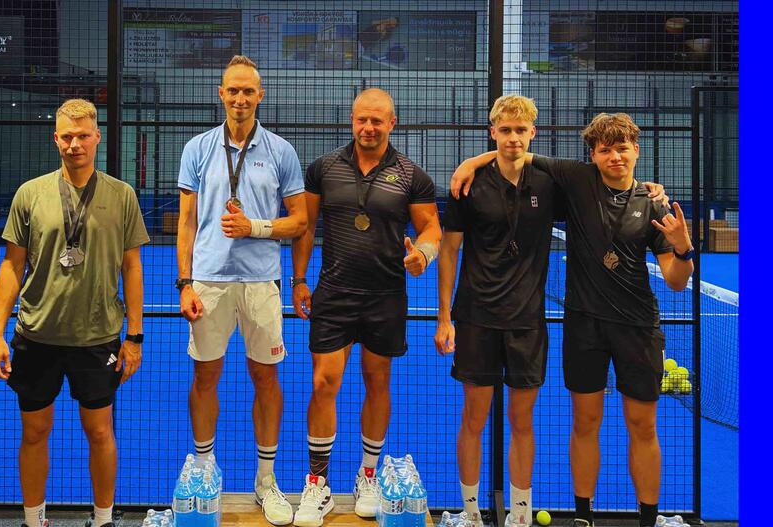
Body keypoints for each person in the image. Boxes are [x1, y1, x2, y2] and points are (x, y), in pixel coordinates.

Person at [451, 112, 693, 527]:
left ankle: (648, 520)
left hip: (638, 328)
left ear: (636, 151)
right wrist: (471, 163)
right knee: (585, 422)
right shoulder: (577, 180)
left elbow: (675, 280)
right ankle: (583, 518)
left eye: (622, 149)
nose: (615, 157)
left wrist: (683, 249)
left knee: (643, 426)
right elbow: (516, 151)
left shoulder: (653, 203)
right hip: (584, 327)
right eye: (605, 150)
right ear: (593, 155)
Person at [0, 98, 149, 527]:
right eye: (67, 137)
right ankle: (34, 520)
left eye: (82, 136)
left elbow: (132, 268)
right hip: (36, 335)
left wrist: (134, 337)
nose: (74, 144)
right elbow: (12, 266)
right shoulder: (30, 194)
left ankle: (103, 520)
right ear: (55, 139)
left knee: (100, 432)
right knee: (34, 432)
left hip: (97, 338)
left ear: (97, 138)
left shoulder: (122, 195)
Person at [290, 88, 441, 527]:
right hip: (333, 294)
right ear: (352, 120)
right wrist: (299, 279)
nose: (368, 128)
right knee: (324, 382)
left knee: (377, 382)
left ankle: (368, 476)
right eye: (362, 119)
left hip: (385, 296)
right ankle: (317, 483)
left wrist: (423, 255)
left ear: (392, 123)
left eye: (377, 120)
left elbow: (431, 228)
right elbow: (306, 226)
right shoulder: (323, 168)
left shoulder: (411, 175)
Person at [176, 55, 307, 526]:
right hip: (208, 283)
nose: (240, 98)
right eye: (233, 90)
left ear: (260, 95)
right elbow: (186, 222)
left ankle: (266, 481)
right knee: (204, 378)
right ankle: (204, 471)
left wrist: (255, 227)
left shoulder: (281, 151)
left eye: (248, 91)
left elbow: (300, 221)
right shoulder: (197, 148)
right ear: (221, 93)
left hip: (260, 283)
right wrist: (185, 282)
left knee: (266, 379)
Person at [436, 95, 556, 527]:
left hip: (527, 322)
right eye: (505, 130)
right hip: (476, 318)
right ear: (493, 132)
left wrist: (653, 189)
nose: (513, 138)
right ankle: (471, 514)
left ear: (533, 133)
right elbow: (449, 250)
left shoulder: (549, 182)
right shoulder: (468, 185)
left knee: (522, 420)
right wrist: (445, 318)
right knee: (474, 418)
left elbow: (600, 178)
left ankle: (520, 517)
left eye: (521, 130)